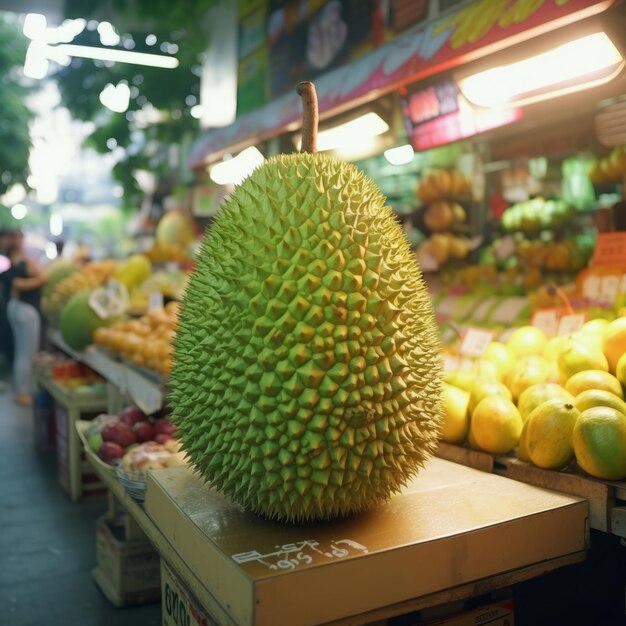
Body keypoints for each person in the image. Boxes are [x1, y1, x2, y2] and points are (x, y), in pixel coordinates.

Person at [0, 229, 48, 405]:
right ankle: (23, 392)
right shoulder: (20, 265)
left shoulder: (15, 265)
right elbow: (38, 279)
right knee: (27, 352)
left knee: (23, 351)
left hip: (17, 308)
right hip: (25, 310)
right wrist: (41, 278)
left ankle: (22, 389)